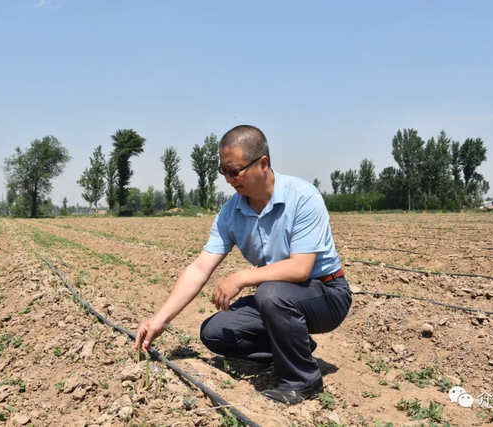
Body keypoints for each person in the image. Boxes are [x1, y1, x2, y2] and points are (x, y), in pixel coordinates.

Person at [135, 125, 352, 405]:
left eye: (234, 170)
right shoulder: (231, 211)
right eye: (222, 170)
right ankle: (295, 346)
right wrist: (160, 320)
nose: (227, 179)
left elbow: (300, 269)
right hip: (280, 296)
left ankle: (303, 380)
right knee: (215, 333)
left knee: (269, 293)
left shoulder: (303, 197)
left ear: (263, 163)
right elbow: (200, 268)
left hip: (326, 294)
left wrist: (241, 277)